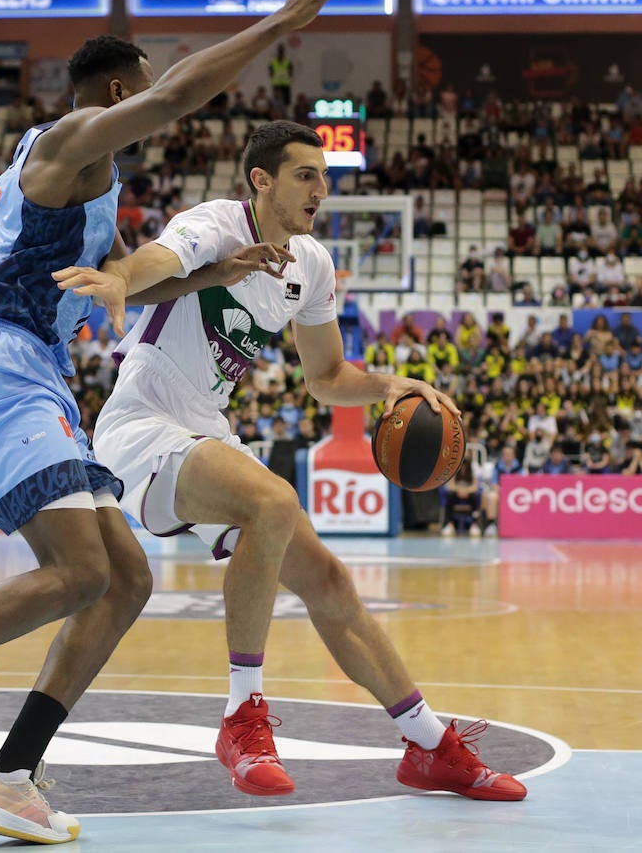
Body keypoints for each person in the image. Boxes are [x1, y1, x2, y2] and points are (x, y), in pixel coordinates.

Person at [0, 0, 361, 845]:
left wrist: (219, 271)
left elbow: (142, 269)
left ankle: (11, 774)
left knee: (124, 578)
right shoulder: (70, 143)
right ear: (119, 92)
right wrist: (282, 23)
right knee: (76, 572)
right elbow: (180, 93)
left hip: (36, 371)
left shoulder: (90, 186)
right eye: (147, 83)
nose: (158, 96)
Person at [56, 120, 527, 803]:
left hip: (206, 433)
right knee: (272, 502)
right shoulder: (216, 225)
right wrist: (120, 278)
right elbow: (159, 259)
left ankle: (430, 746)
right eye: (306, 175)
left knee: (330, 580)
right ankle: (241, 717)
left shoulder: (311, 265)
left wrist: (391, 386)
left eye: (325, 177)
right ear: (262, 180)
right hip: (141, 428)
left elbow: (328, 375)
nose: (320, 190)